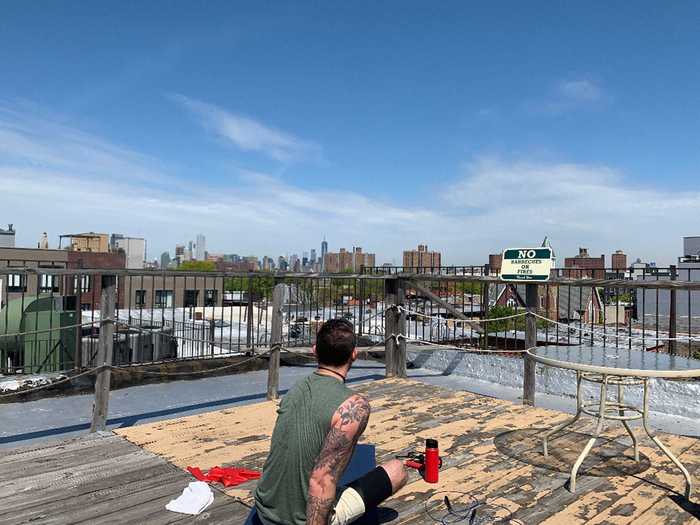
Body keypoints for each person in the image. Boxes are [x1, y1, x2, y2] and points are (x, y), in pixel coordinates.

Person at [252, 318, 408, 525]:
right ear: (354, 355)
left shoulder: (295, 389)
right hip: (298, 520)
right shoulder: (354, 406)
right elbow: (321, 480)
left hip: (265, 507)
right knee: (397, 470)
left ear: (315, 351)